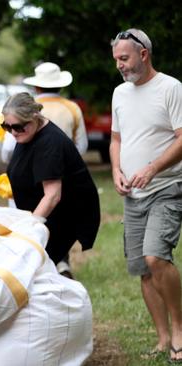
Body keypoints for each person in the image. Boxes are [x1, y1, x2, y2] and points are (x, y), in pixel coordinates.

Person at [110, 28, 182, 362]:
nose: (120, 66)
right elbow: (116, 140)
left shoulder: (171, 88)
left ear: (143, 54)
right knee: (142, 268)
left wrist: (152, 168)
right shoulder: (119, 94)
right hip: (133, 195)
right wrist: (115, 171)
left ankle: (179, 330)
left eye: (123, 58)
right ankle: (162, 337)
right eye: (116, 60)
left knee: (156, 257)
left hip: (166, 187)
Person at [1, 62, 88, 279]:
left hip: (51, 214)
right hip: (35, 208)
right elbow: (82, 146)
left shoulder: (48, 143)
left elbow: (53, 194)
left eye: (18, 127)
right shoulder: (70, 109)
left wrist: (32, 226)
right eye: (6, 127)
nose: (12, 132)